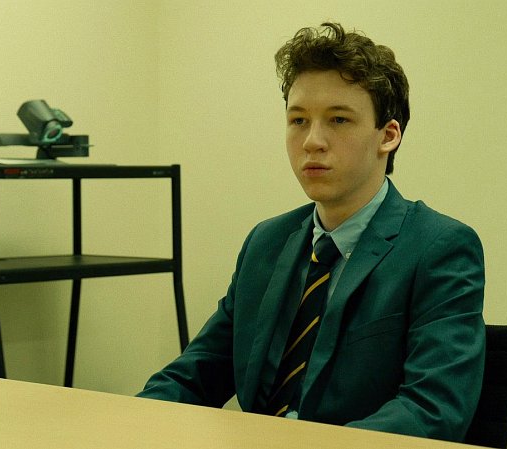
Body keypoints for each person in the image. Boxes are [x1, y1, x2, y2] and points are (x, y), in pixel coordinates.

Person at [137, 22, 485, 443]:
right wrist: (127, 422)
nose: (312, 141)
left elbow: (431, 410)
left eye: (338, 119)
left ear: (388, 136)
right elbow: (195, 374)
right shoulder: (266, 242)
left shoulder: (439, 247)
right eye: (298, 120)